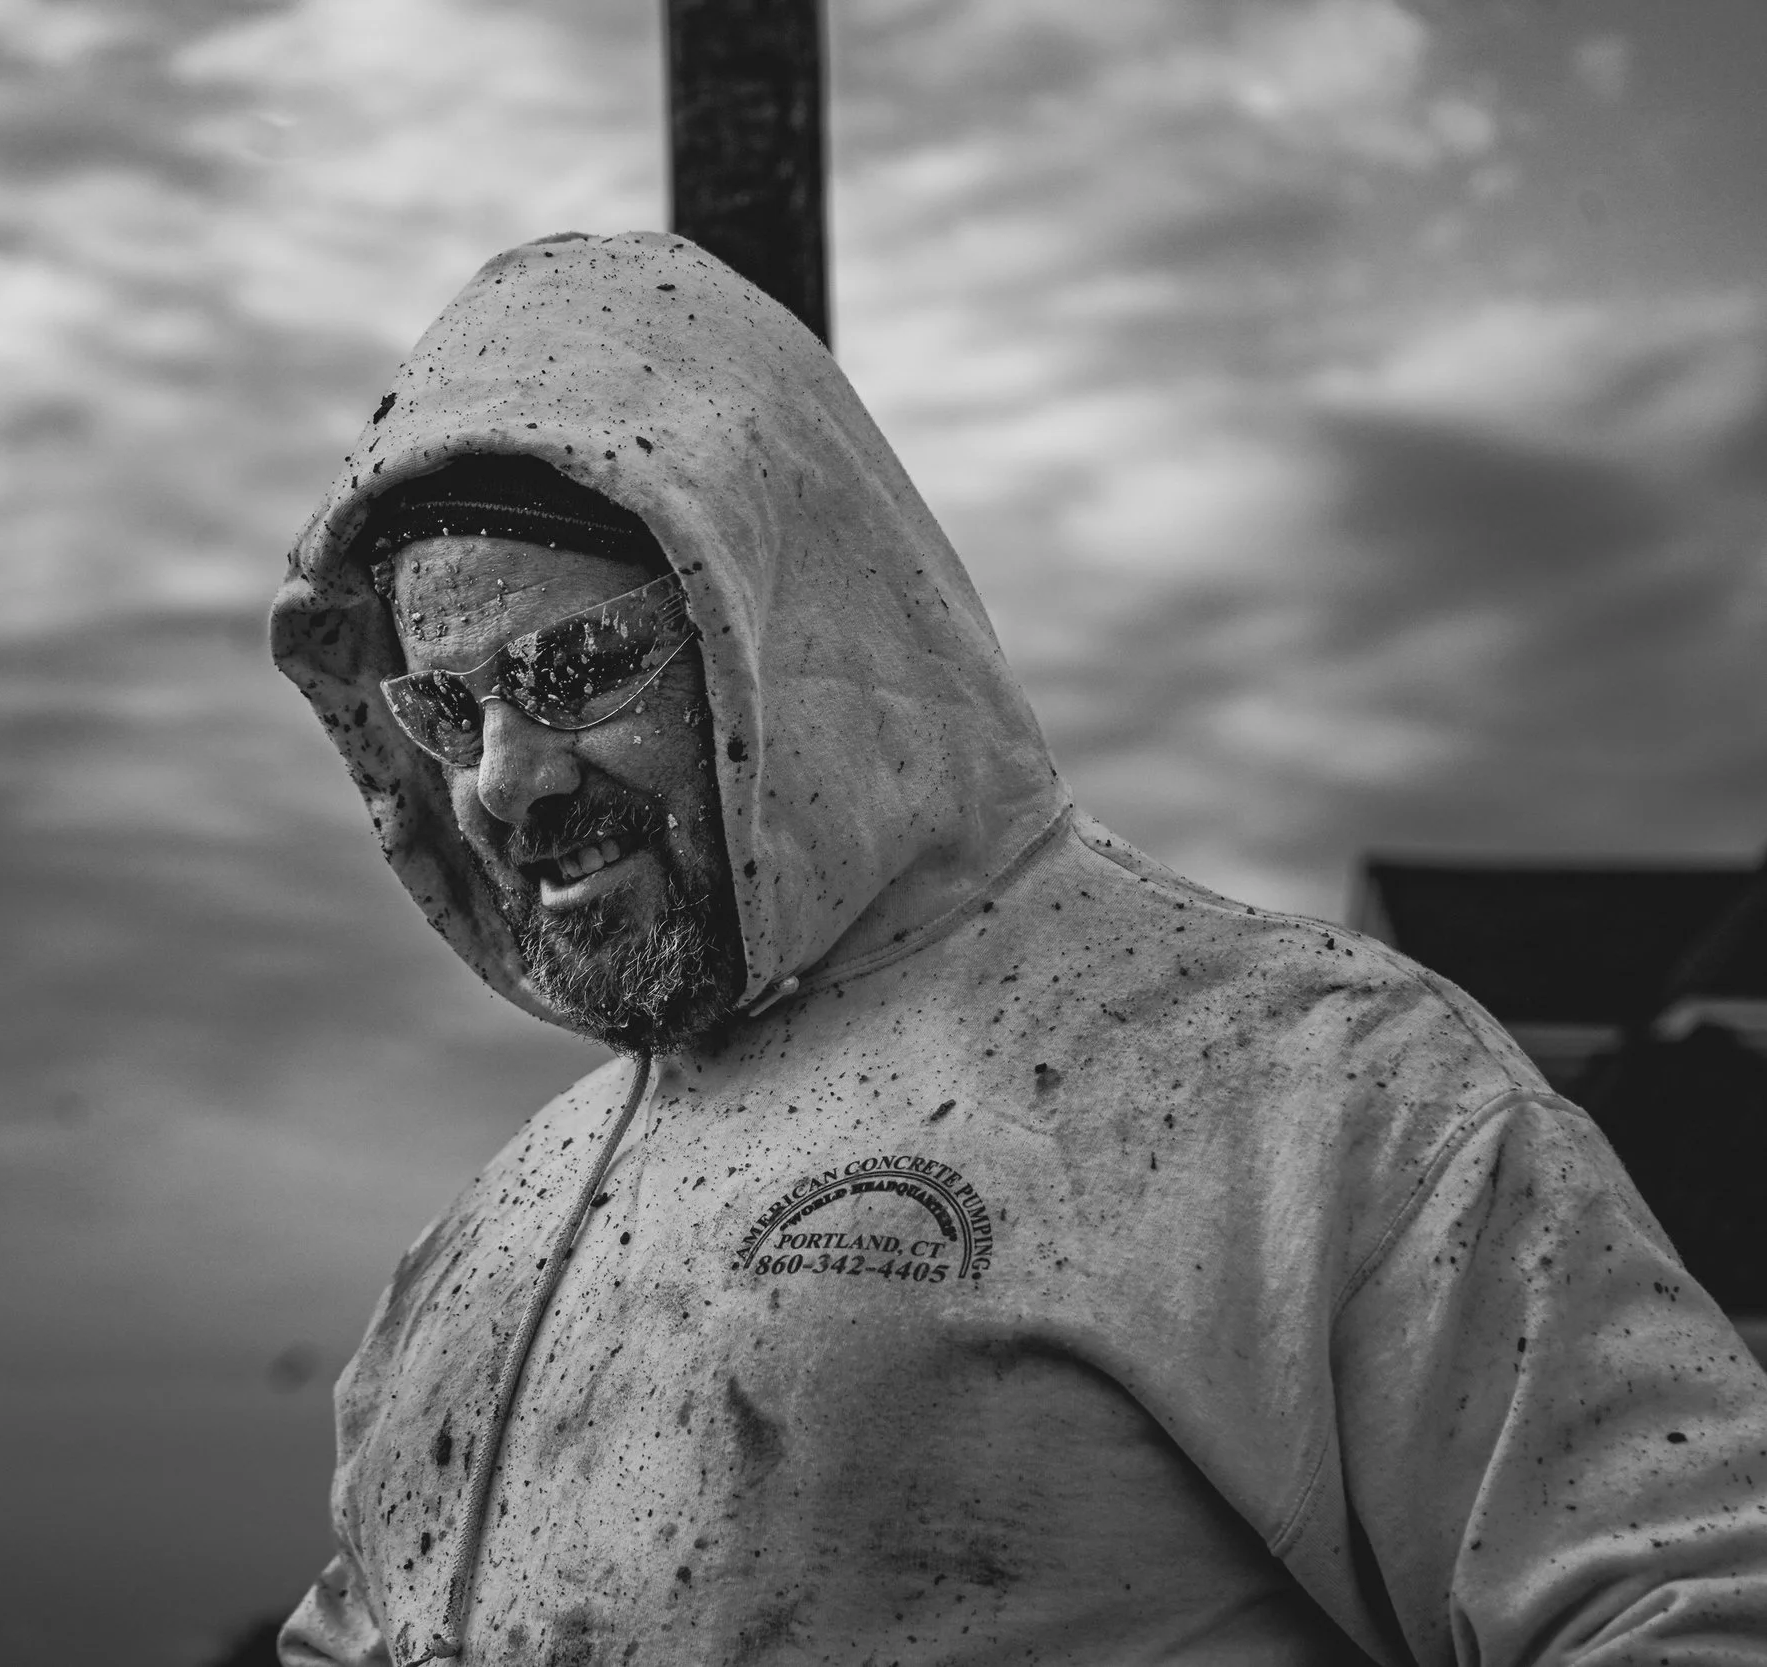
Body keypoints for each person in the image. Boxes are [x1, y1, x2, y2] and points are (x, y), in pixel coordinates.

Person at [266, 230, 1767, 1666]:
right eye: (450, 710)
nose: (503, 781)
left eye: (577, 667)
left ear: (780, 626)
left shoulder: (1306, 1086)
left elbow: (1695, 1602)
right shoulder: (482, 1248)